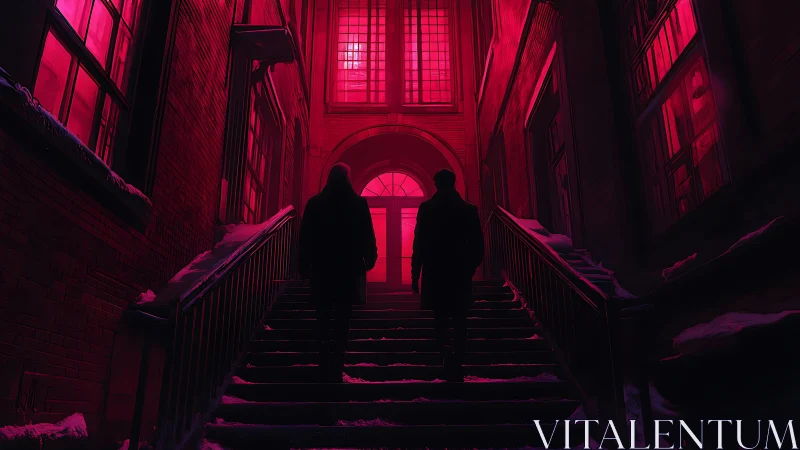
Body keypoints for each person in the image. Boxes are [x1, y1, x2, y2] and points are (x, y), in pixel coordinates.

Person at [299, 163, 378, 383]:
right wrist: (369, 260)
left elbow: (305, 237)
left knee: (323, 317)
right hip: (348, 269)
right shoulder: (358, 203)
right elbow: (367, 235)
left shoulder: (315, 203)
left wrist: (303, 265)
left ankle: (324, 362)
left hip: (322, 269)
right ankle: (337, 363)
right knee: (343, 318)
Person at [411, 169, 484, 382]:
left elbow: (419, 245)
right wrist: (471, 266)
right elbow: (477, 244)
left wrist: (415, 274)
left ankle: (444, 356)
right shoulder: (468, 210)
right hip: (460, 270)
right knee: (461, 317)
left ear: (436, 184)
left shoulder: (427, 209)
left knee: (440, 316)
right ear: (453, 184)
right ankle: (458, 358)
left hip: (435, 271)